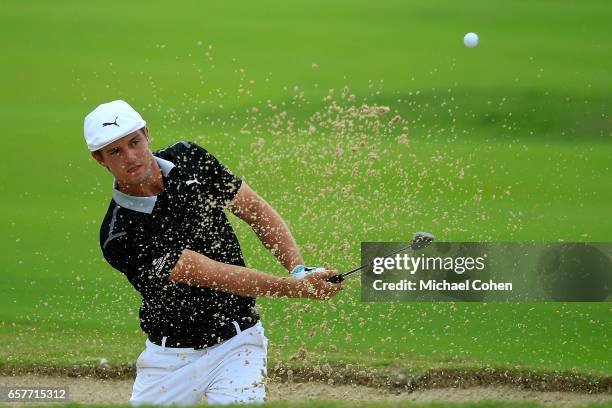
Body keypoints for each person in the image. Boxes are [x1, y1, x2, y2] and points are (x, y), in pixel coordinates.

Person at [83, 100, 343, 405]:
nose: (131, 156)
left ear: (146, 134)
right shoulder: (120, 234)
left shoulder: (189, 157)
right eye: (115, 151)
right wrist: (292, 289)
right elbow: (208, 273)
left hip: (238, 343)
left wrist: (300, 271)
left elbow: (253, 210)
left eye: (134, 143)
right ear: (99, 159)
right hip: (169, 359)